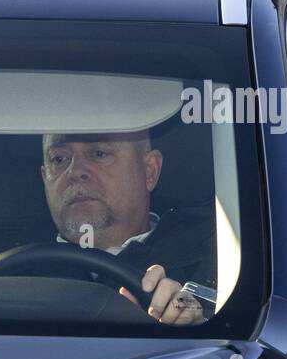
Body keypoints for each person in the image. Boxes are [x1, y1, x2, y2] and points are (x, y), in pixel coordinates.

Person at [40, 130, 216, 325]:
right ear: (44, 178)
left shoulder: (224, 262)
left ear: (149, 171)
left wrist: (196, 327)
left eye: (99, 154)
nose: (74, 172)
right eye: (58, 159)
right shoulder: (8, 276)